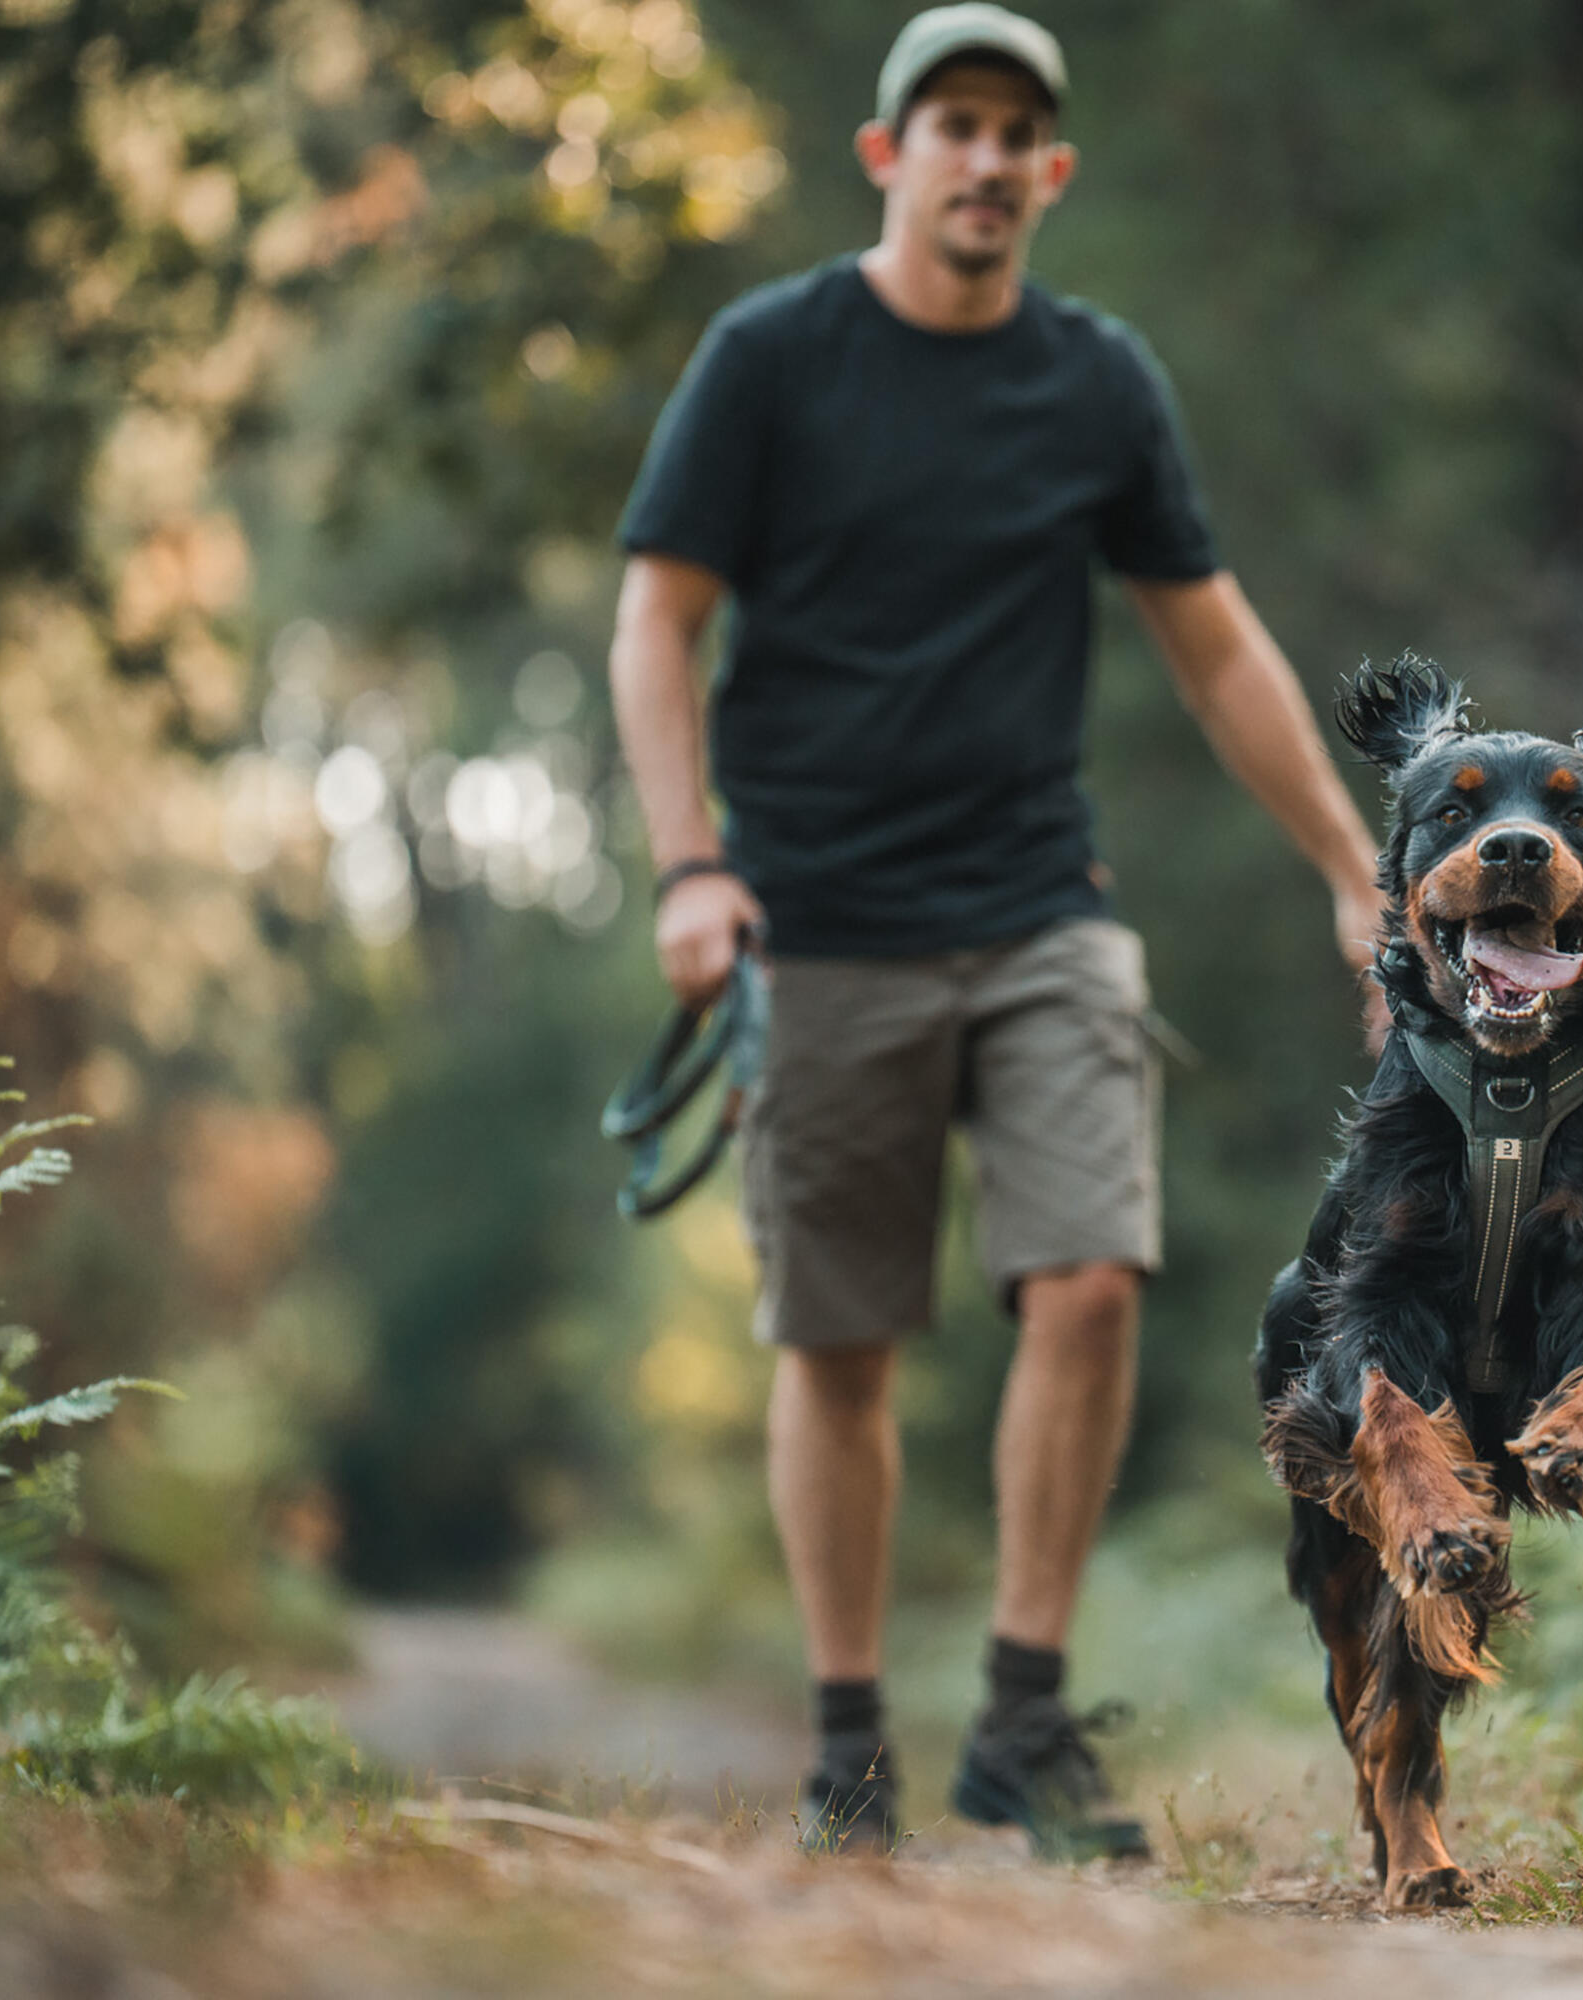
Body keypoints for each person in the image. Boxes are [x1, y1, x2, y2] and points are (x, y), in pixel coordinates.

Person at [605, 4, 1382, 1859]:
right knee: (843, 1349)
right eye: (946, 124)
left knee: (1094, 1277)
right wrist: (686, 866)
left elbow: (1212, 641)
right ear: (887, 158)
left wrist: (1356, 868)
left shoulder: (1095, 383)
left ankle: (1023, 1719)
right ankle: (849, 1742)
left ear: (1051, 172)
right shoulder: (770, 361)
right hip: (819, 924)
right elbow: (656, 620)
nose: (978, 157)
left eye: (1010, 131)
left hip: (1039, 903)